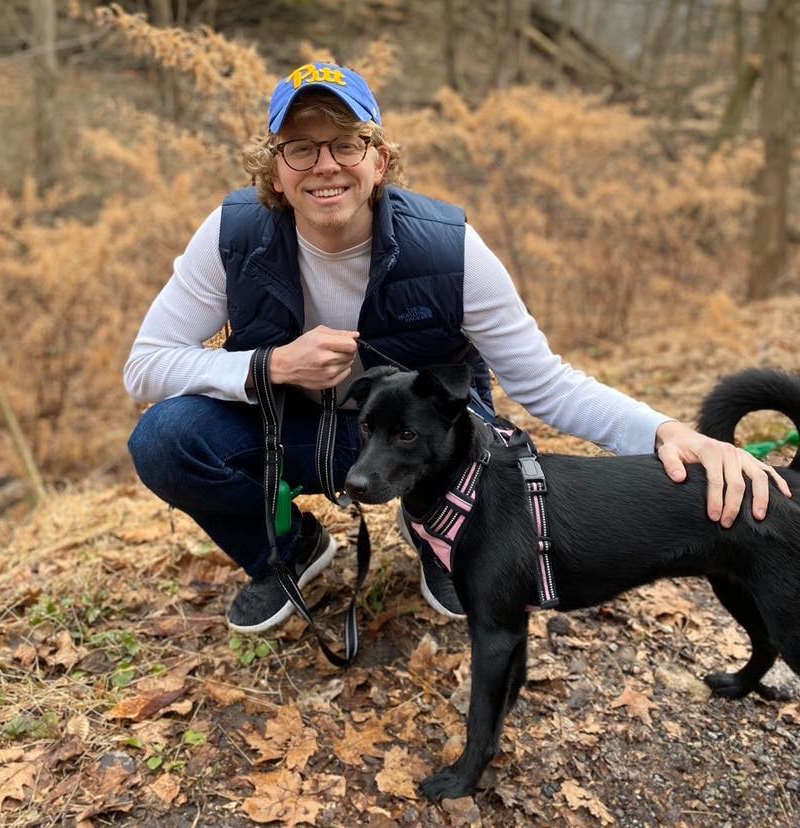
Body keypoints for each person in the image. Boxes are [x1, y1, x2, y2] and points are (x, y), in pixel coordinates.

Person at [124, 61, 791, 634]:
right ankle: (286, 551)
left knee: (461, 444)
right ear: (275, 172)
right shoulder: (234, 236)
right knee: (166, 438)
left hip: (417, 441)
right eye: (300, 147)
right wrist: (271, 365)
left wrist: (667, 432)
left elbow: (545, 382)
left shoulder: (447, 249)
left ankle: (440, 535)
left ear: (380, 159)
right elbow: (145, 366)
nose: (325, 164)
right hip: (286, 431)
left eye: (347, 143)